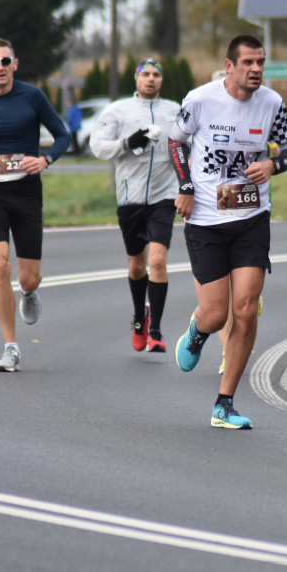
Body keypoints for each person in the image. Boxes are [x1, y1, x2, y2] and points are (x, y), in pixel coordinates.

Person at [168, 34, 287, 429]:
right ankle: (198, 330)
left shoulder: (272, 104)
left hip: (251, 217)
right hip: (206, 218)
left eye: (261, 62)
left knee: (245, 307)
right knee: (215, 312)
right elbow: (175, 142)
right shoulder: (201, 100)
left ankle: (224, 403)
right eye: (248, 63)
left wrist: (274, 166)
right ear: (229, 66)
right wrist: (186, 187)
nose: (256, 69)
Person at [0, 38, 71, 372]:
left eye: (5, 61)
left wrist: (45, 159)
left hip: (27, 194)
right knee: (0, 264)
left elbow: (63, 136)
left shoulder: (32, 96)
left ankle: (29, 292)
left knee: (28, 277)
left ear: (14, 64)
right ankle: (11, 347)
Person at [90, 59, 180, 353]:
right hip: (129, 198)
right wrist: (127, 143)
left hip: (164, 196)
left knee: (157, 261)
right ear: (136, 78)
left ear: (161, 80)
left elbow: (189, 144)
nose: (151, 79)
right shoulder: (118, 111)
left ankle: (155, 330)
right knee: (137, 265)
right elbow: (97, 145)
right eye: (145, 74)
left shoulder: (174, 110)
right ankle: (140, 317)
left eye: (156, 75)